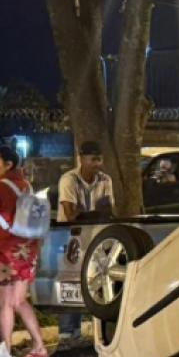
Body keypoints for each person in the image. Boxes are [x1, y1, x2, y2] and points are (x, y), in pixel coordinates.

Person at [0, 146, 50, 357]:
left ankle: (6, 352)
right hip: (27, 249)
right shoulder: (26, 185)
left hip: (3, 251)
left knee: (5, 303)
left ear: (8, 165)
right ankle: (39, 346)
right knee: (19, 300)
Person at [56, 140, 115, 341]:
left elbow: (108, 211)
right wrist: (95, 213)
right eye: (93, 159)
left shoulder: (105, 180)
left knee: (92, 281)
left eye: (99, 159)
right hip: (71, 236)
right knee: (70, 282)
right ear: (81, 159)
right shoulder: (69, 180)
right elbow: (70, 215)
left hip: (94, 236)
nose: (97, 164)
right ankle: (66, 332)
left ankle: (80, 332)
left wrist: (86, 213)